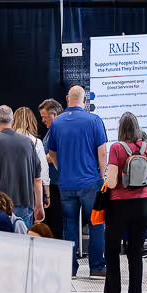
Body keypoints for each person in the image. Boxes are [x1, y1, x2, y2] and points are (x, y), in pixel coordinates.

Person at [45, 86, 107, 277]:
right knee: (96, 225)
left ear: (67, 99)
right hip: (91, 182)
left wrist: (60, 169)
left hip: (66, 184)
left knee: (69, 226)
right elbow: (102, 152)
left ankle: (70, 269)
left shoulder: (57, 123)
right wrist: (102, 175)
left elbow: (51, 153)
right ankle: (96, 267)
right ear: (85, 100)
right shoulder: (94, 120)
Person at [99, 111, 147, 293]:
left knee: (113, 251)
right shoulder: (145, 148)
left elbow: (112, 182)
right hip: (142, 205)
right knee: (135, 253)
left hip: (119, 207)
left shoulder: (116, 148)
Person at [0, 105, 44, 228]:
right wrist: (39, 206)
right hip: (26, 204)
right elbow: (38, 179)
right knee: (23, 244)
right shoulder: (28, 142)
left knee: (0, 245)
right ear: (12, 120)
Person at [12, 107, 51, 215]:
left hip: (9, 190)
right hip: (30, 191)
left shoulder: (6, 140)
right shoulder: (36, 142)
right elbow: (43, 169)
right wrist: (47, 194)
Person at [38, 99, 64, 238]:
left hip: (58, 184)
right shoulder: (52, 131)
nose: (43, 120)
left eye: (45, 117)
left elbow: (55, 154)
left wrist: (40, 158)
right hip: (52, 183)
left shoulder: (60, 130)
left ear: (54, 114)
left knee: (57, 223)